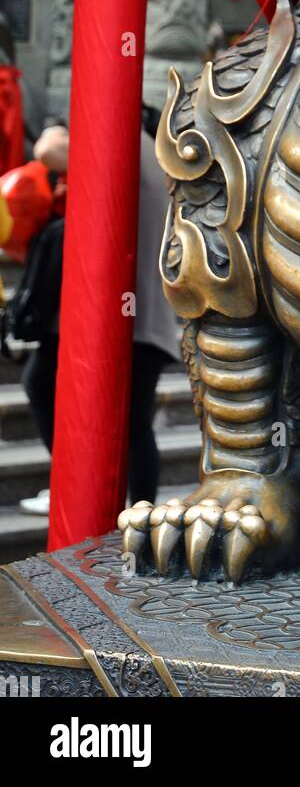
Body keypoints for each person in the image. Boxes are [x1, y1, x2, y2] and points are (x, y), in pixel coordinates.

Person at [17, 112, 181, 516]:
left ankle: (101, 496)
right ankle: (130, 507)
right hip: (137, 313)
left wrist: (57, 129)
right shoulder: (151, 151)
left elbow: (47, 150)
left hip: (120, 314)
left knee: (52, 386)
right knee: (130, 420)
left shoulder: (124, 145)